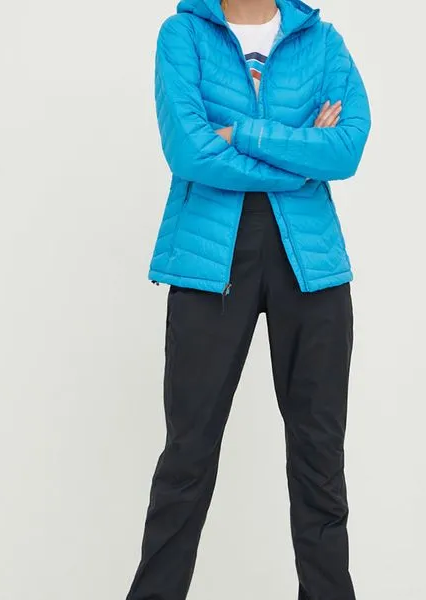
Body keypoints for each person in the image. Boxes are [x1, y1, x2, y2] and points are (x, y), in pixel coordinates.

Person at [126, 0, 371, 598]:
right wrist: (300, 157)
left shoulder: (322, 42)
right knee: (188, 455)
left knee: (319, 460)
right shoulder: (183, 35)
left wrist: (243, 133)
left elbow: (345, 149)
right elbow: (189, 150)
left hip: (311, 266)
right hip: (209, 264)